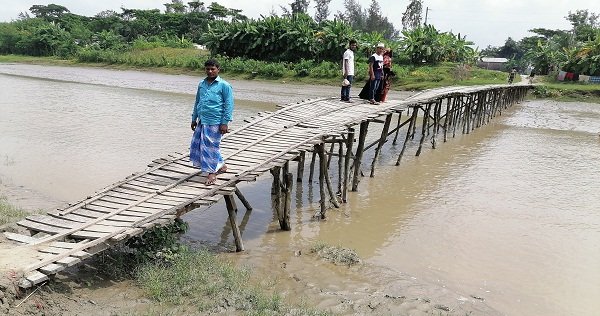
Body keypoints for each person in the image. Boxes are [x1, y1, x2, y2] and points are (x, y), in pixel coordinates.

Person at [190, 59, 234, 185]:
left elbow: (229, 105)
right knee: (200, 145)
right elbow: (197, 101)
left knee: (210, 147)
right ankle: (221, 165)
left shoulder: (224, 85)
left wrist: (225, 122)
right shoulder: (201, 84)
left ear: (218, 69)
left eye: (212, 69)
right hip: (202, 120)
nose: (210, 71)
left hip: (215, 121)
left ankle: (212, 173)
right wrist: (194, 118)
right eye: (207, 69)